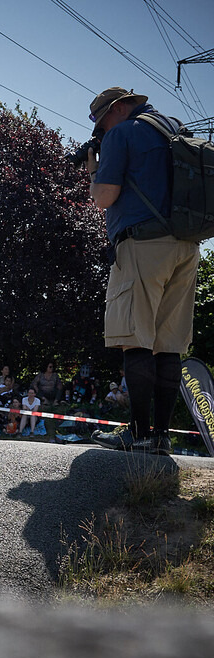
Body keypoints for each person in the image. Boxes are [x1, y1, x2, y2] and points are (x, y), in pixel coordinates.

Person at [86, 87, 199, 457]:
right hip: (186, 245)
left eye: (102, 122)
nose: (102, 131)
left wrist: (93, 172)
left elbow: (104, 196)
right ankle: (161, 436)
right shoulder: (175, 128)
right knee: (169, 344)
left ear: (118, 108)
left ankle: (136, 433)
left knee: (134, 337)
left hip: (143, 244)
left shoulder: (123, 132)